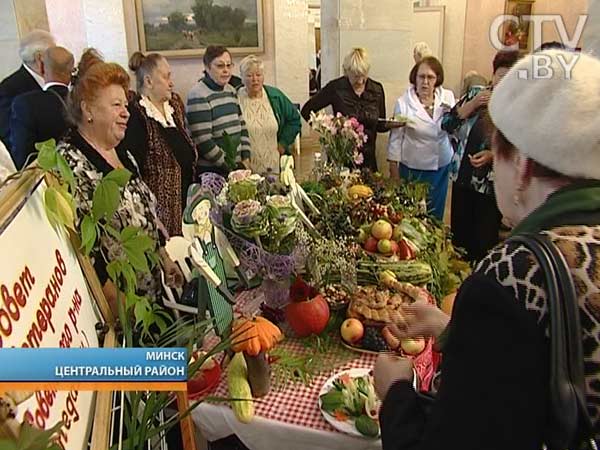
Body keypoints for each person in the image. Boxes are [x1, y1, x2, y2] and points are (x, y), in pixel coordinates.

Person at [374, 49, 600, 449]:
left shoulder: (512, 272)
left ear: (524, 165)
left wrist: (396, 392)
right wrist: (452, 329)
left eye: (498, 155)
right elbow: (535, 361)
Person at [57, 50, 182, 312]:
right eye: (116, 105)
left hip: (152, 301)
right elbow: (86, 253)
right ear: (88, 109)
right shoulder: (71, 166)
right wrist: (121, 309)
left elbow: (144, 213)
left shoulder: (122, 152)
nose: (126, 113)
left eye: (125, 105)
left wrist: (164, 257)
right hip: (123, 314)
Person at [442, 51, 519, 262]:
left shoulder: (516, 108)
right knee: (458, 239)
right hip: (463, 179)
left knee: (482, 243)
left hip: (490, 187)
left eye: (509, 77)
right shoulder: (477, 94)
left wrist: (493, 156)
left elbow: (520, 149)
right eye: (499, 76)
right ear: (493, 75)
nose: (502, 81)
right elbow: (446, 124)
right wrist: (471, 105)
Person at [119, 51, 197, 238]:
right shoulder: (137, 115)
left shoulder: (175, 106)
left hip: (186, 206)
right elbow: (132, 171)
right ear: (148, 81)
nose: (171, 82)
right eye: (166, 76)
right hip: (160, 217)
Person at [387, 56, 455, 220]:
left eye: (430, 77)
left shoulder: (448, 98)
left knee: (435, 215)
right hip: (413, 169)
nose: (425, 82)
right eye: (421, 77)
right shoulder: (403, 103)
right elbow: (395, 139)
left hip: (440, 167)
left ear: (437, 79)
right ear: (414, 78)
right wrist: (394, 172)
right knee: (413, 215)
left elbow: (455, 127)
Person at [301, 47, 390, 171]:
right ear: (346, 71)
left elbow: (380, 125)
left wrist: (394, 124)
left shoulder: (377, 89)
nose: (360, 81)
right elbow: (307, 110)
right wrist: (326, 131)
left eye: (363, 76)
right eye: (355, 76)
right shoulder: (336, 88)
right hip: (341, 160)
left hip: (368, 161)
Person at [186, 45, 250, 175]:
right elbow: (203, 141)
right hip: (213, 172)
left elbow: (242, 126)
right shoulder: (198, 95)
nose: (226, 70)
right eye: (220, 66)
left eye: (229, 65)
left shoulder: (231, 90)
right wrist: (232, 166)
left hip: (237, 168)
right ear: (207, 67)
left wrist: (246, 158)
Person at [9, 46, 74, 169]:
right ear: (71, 71)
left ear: (42, 67)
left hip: (45, 182)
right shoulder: (82, 101)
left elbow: (22, 156)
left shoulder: (25, 104)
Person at [237, 55, 301, 174]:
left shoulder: (275, 96)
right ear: (242, 78)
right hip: (247, 168)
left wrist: (282, 144)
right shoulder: (235, 98)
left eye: (258, 75)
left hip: (274, 165)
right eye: (249, 75)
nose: (254, 79)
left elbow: (294, 120)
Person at [0, 30, 56, 150]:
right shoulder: (8, 88)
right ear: (39, 58)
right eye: (52, 54)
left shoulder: (54, 81)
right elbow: (10, 137)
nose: (56, 58)